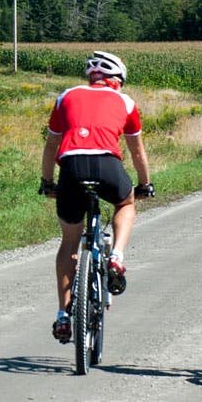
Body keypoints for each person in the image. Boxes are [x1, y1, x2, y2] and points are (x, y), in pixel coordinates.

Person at [39, 50, 154, 344]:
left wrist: (47, 182)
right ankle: (116, 256)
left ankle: (64, 315)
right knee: (125, 202)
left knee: (69, 242)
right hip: (107, 165)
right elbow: (137, 152)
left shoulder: (66, 96)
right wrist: (145, 184)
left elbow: (51, 145)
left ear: (92, 77)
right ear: (117, 81)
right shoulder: (125, 101)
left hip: (71, 167)